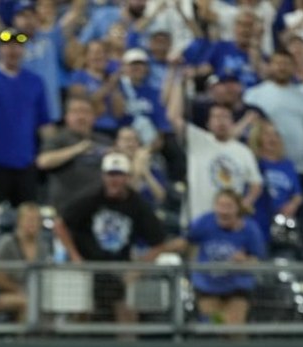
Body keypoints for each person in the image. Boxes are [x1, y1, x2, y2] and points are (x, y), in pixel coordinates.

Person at [53, 152, 178, 322]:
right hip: (89, 267)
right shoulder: (90, 197)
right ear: (103, 176)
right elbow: (60, 224)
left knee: (127, 310)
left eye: (119, 175)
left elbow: (159, 243)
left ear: (127, 178)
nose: (114, 180)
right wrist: (75, 257)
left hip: (119, 269)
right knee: (81, 308)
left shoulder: (137, 204)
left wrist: (138, 269)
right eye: (110, 174)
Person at [0, 29, 54, 206]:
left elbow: (44, 122)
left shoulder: (35, 82)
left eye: (18, 46)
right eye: (8, 46)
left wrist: (48, 150)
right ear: (0, 49)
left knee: (27, 213)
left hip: (25, 161)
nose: (13, 50)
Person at [167, 73, 262, 221]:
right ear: (208, 124)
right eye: (216, 117)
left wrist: (242, 206)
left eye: (225, 117)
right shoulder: (197, 140)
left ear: (232, 122)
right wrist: (179, 82)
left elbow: (256, 184)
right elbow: (174, 117)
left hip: (229, 223)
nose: (221, 122)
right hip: (197, 218)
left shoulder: (243, 151)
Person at [243, 50, 303, 201]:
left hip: (299, 167)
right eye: (278, 63)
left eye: (286, 64)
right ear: (270, 66)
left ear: (294, 67)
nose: (282, 67)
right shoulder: (253, 95)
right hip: (265, 168)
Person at [183, 189, 266, 327]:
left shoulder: (251, 229)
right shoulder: (204, 222)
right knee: (215, 326)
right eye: (220, 206)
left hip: (237, 286)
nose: (224, 211)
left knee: (233, 327)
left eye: (228, 206)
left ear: (237, 209)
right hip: (207, 285)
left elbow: (257, 260)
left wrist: (244, 261)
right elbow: (186, 241)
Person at [36, 95, 111, 205]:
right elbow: (43, 161)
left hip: (98, 205)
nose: (81, 117)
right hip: (67, 205)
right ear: (66, 117)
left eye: (86, 112)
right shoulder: (58, 139)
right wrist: (78, 149)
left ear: (94, 117)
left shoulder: (104, 141)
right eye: (75, 112)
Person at [0, 202, 46, 322]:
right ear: (19, 221)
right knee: (28, 303)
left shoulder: (43, 247)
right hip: (3, 295)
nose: (32, 223)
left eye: (36, 220)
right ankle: (25, 340)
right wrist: (20, 290)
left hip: (35, 294)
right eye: (29, 219)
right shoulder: (7, 244)